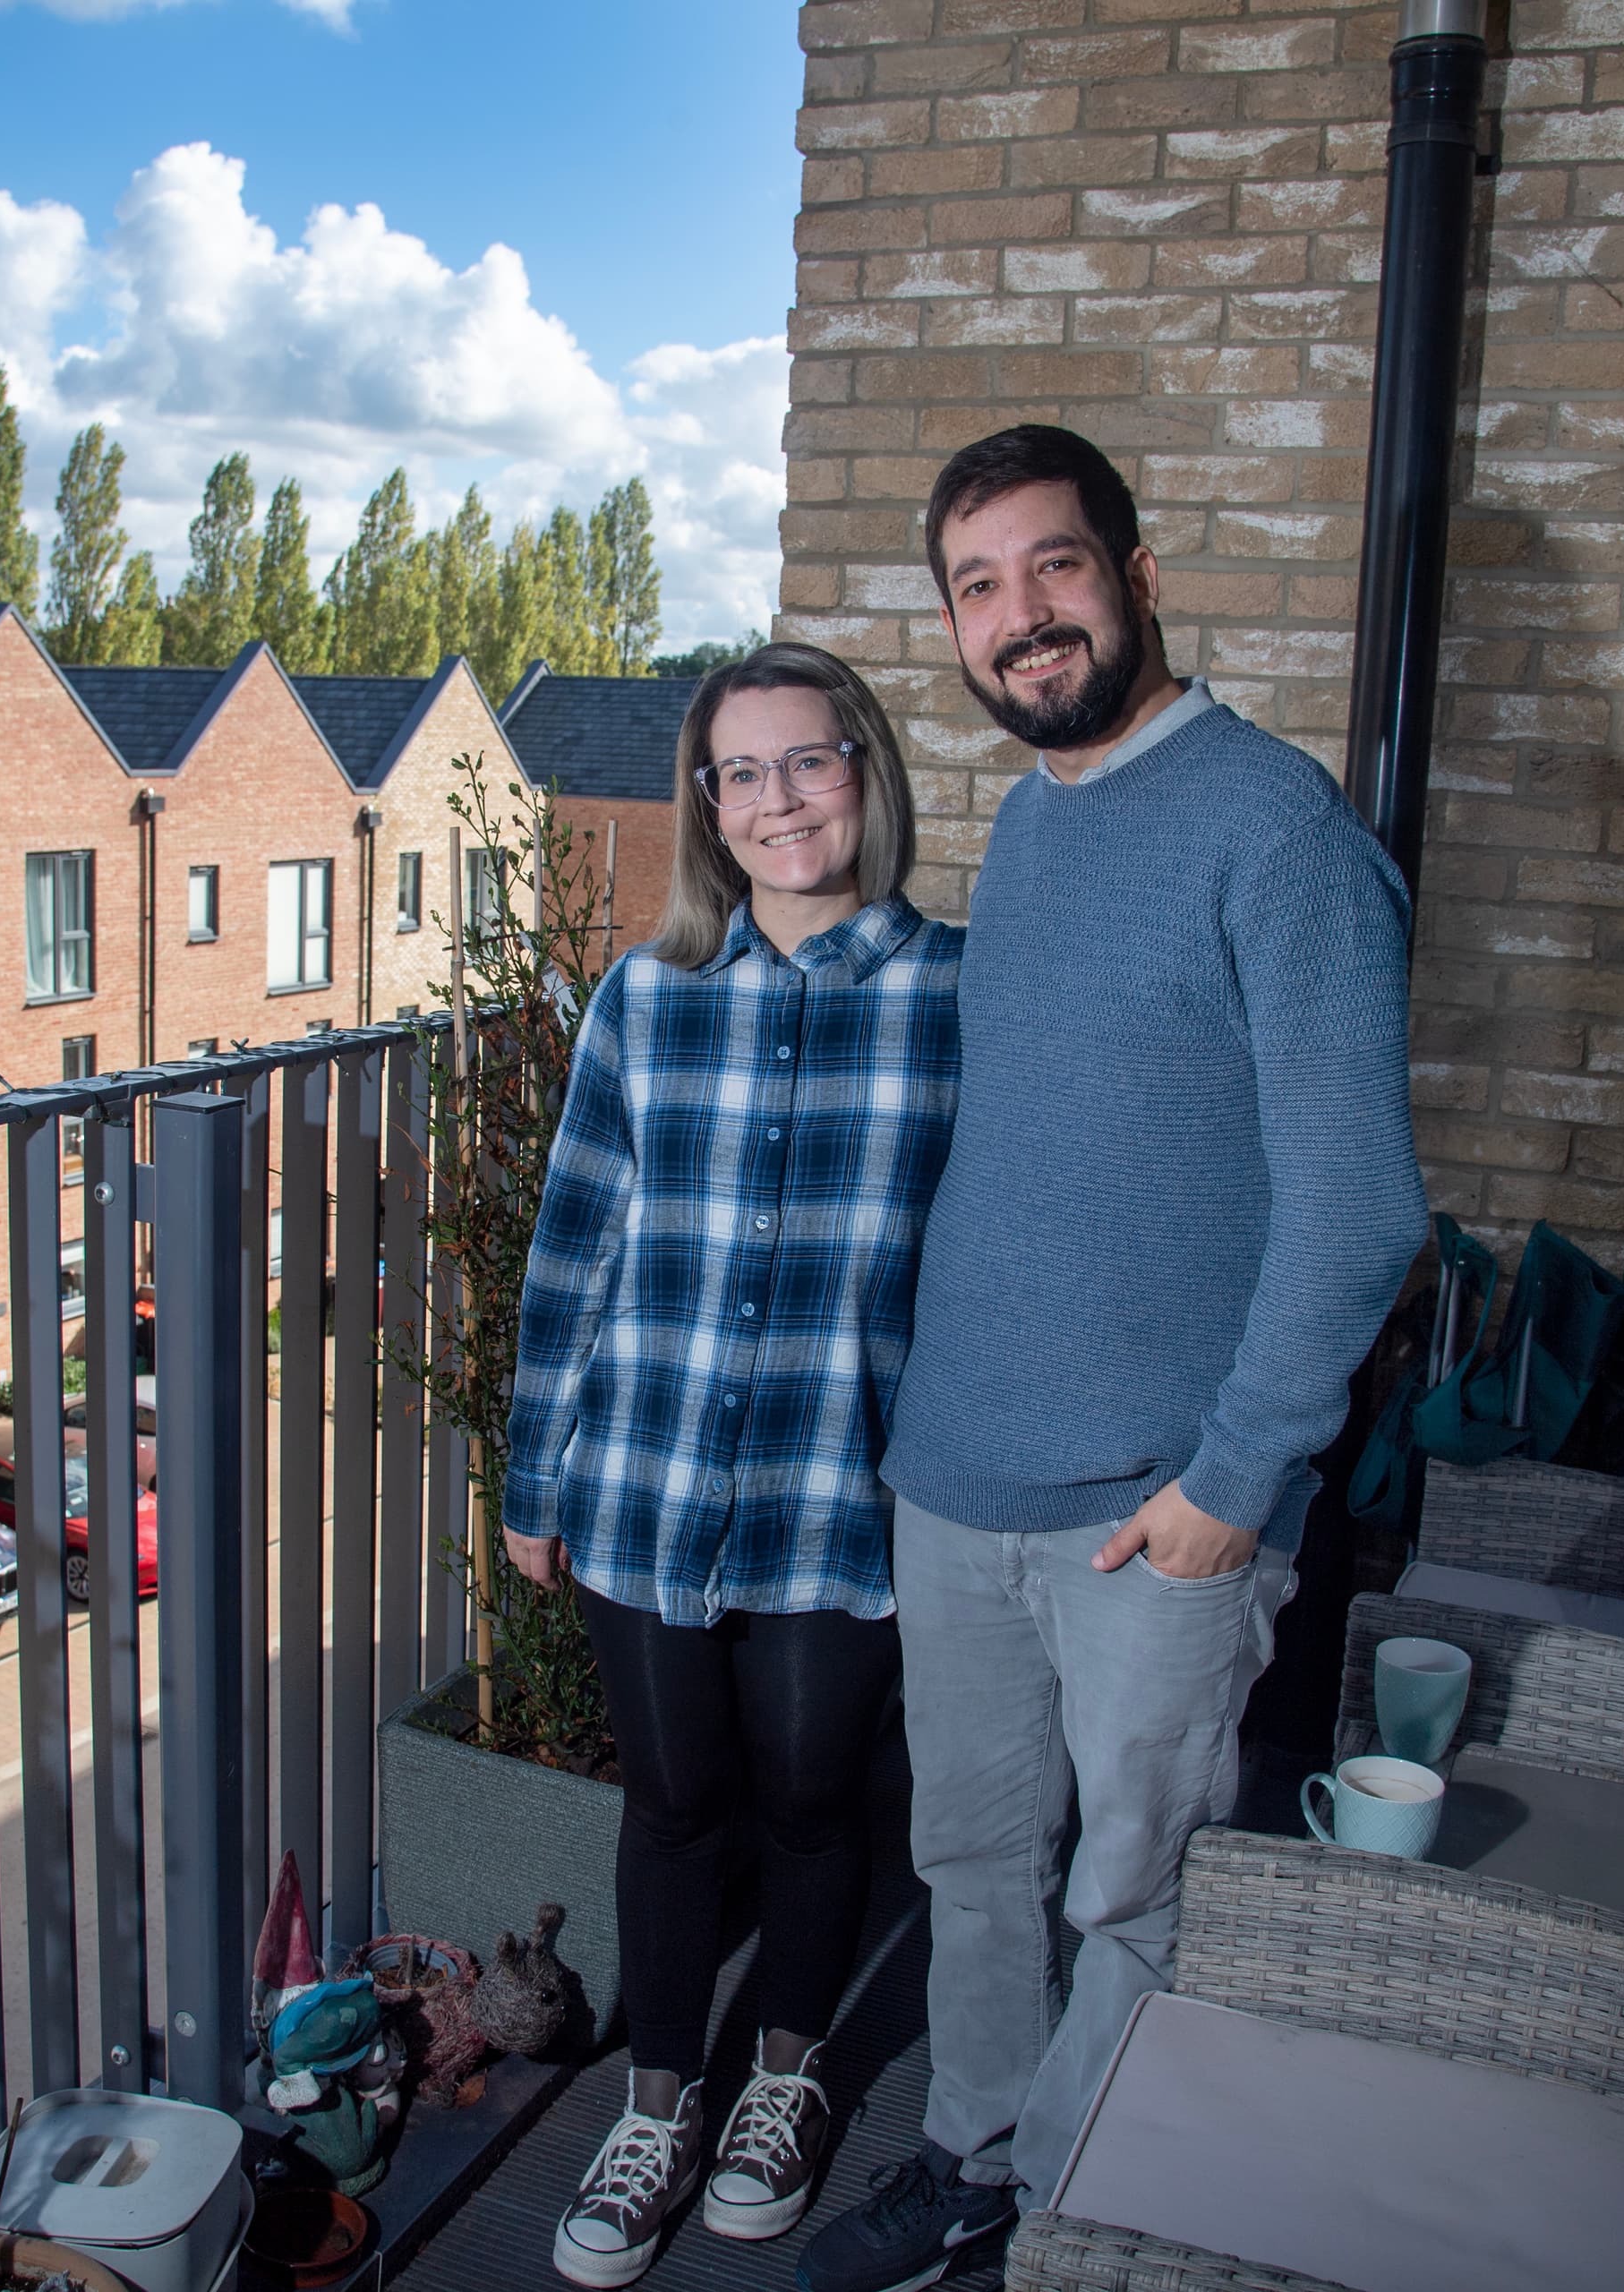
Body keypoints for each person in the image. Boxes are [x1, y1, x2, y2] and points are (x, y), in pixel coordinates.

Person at [797, 425, 1426, 2292]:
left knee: (1131, 1890)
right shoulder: (1048, 819)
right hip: (959, 1478)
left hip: (1157, 1510)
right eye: (978, 587)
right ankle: (976, 2158)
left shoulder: (1273, 827)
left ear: (1137, 575)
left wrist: (1238, 1479)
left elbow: (1359, 1205)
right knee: (976, 1871)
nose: (1021, 616)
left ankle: (1069, 2221)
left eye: (1053, 567)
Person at [504, 640, 962, 2288]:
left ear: (867, 774)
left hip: (843, 1494)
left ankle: (783, 2085)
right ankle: (659, 2100)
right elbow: (577, 1246)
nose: (777, 800)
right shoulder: (647, 995)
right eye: (740, 772)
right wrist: (533, 1480)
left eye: (810, 762)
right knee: (678, 1807)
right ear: (707, 804)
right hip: (645, 1474)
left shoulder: (959, 995)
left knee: (815, 1802)